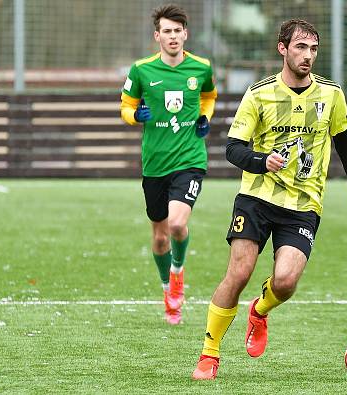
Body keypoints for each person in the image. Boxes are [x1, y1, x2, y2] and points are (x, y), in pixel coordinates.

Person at [192, 19, 347, 380]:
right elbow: (232, 149)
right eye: (301, 47)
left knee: (286, 281)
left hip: (303, 205)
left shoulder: (331, 94)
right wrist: (262, 161)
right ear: (283, 49)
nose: (308, 56)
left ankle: (259, 310)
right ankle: (209, 355)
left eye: (314, 49)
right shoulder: (259, 94)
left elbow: (345, 144)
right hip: (256, 198)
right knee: (239, 272)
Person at [119, 4, 217, 325]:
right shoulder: (141, 70)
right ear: (157, 36)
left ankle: (178, 272)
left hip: (190, 159)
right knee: (160, 237)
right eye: (167, 31)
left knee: (177, 224)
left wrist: (205, 117)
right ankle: (167, 289)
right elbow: (125, 107)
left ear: (185, 34)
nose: (173, 36)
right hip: (154, 164)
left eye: (178, 31)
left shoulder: (201, 68)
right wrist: (136, 116)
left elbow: (209, 96)